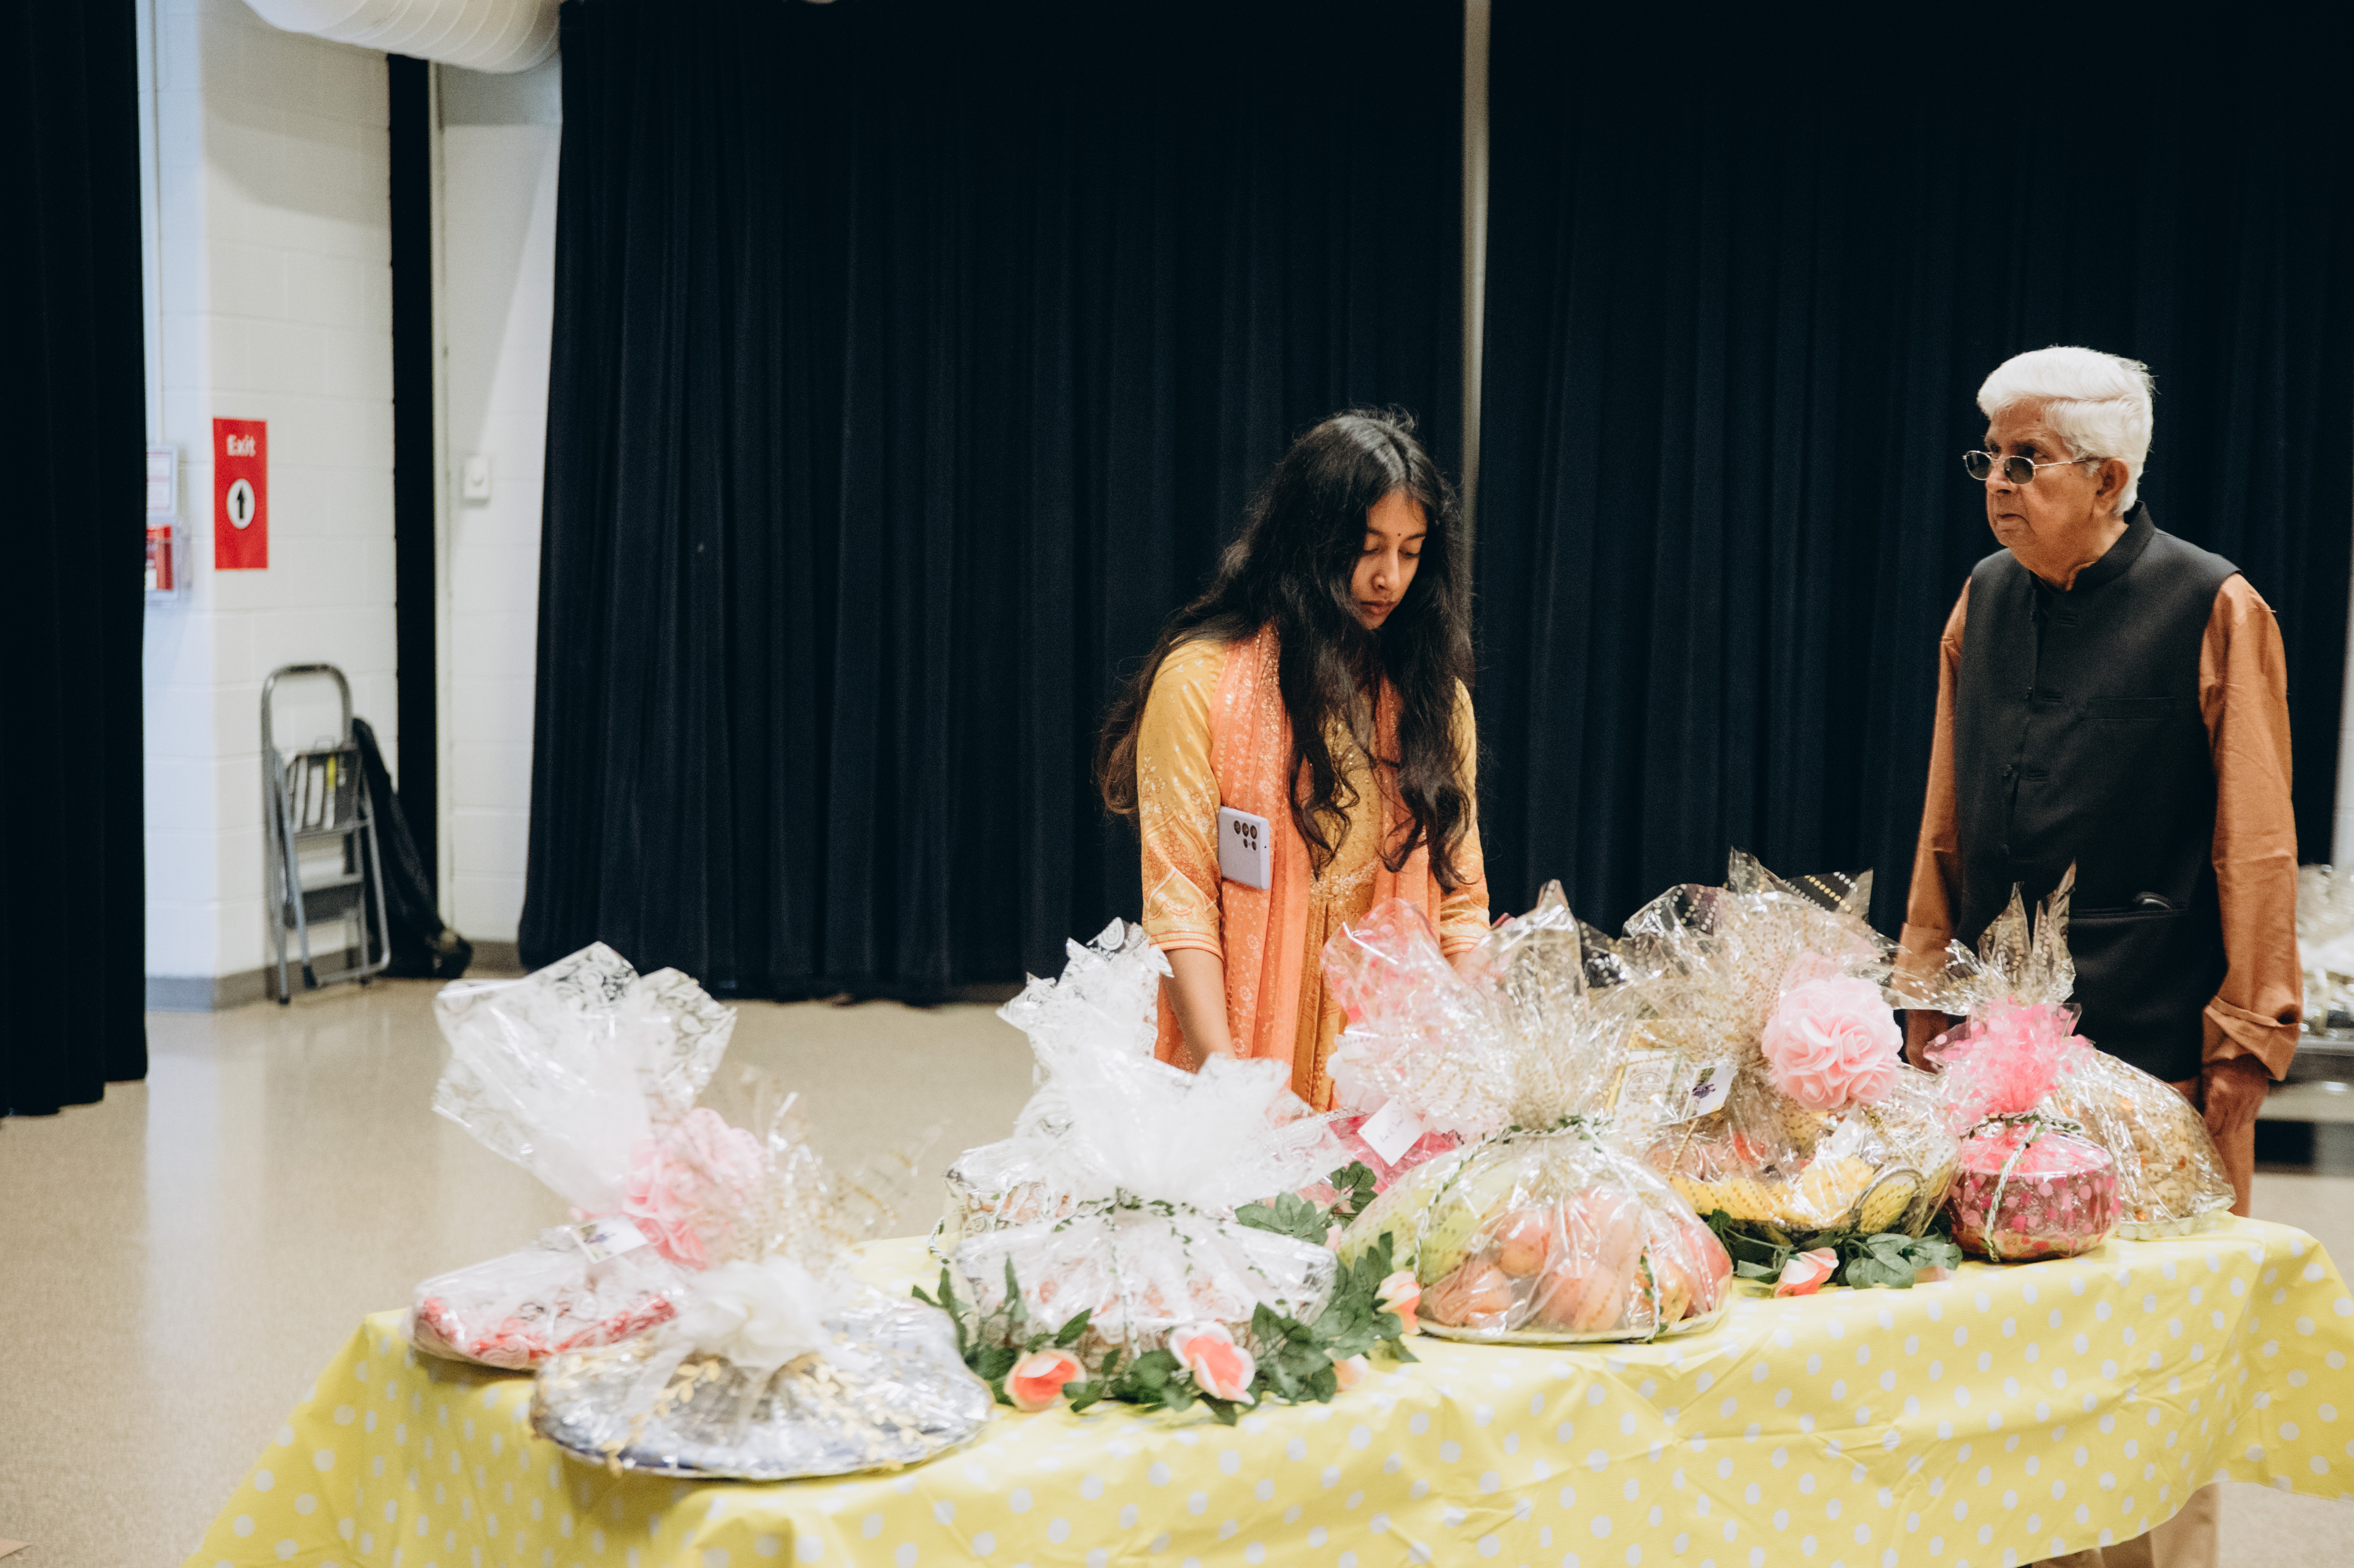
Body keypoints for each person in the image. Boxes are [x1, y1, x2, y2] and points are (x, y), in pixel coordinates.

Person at [1896, 347, 2301, 1568]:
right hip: (1995, 1068)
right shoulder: (1980, 598)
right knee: (2015, 1367)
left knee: (2152, 1375)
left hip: (2158, 1053)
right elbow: (1944, 816)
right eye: (1988, 458)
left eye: (2026, 461)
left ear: (2109, 478)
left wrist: (2249, 1038)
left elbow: (2257, 842)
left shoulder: (2211, 603)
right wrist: (1920, 987)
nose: (1997, 484)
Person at [1096, 410, 1490, 1108]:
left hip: (1383, 1076)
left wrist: (1457, 1064)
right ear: (1307, 540)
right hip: (1230, 1063)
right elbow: (1181, 907)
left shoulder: (1435, 703)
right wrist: (1230, 1093)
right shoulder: (1201, 684)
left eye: (1410, 552)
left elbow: (1462, 902)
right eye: (1366, 548)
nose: (1389, 578)